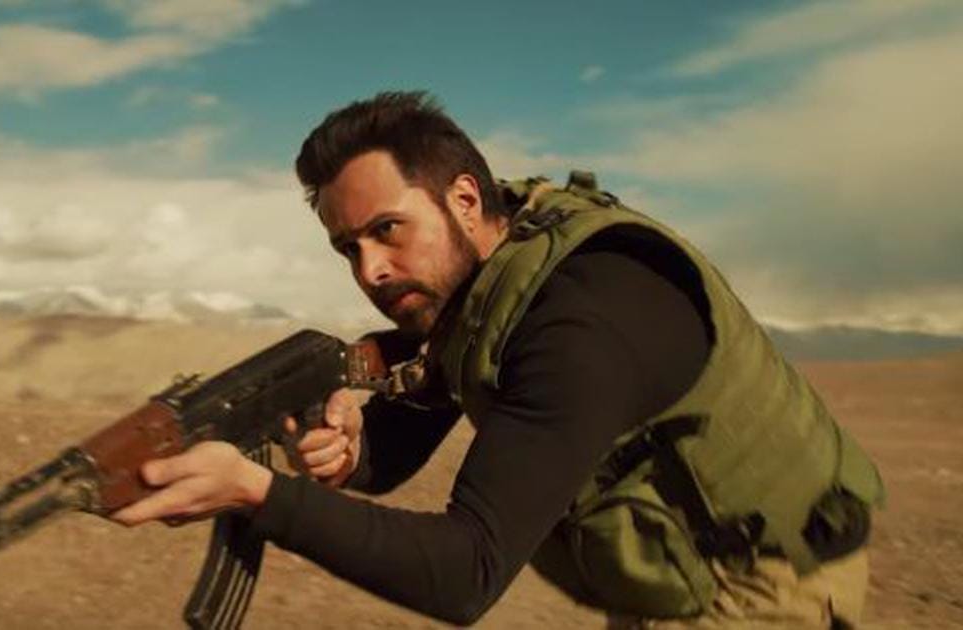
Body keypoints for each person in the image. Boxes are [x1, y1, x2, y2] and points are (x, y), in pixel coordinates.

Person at [112, 92, 885, 628]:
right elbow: (401, 442)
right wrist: (349, 451)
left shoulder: (579, 321)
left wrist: (257, 494)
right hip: (675, 575)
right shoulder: (483, 277)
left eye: (387, 230)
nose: (370, 270)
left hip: (759, 591)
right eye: (348, 248)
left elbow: (466, 573)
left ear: (464, 199)